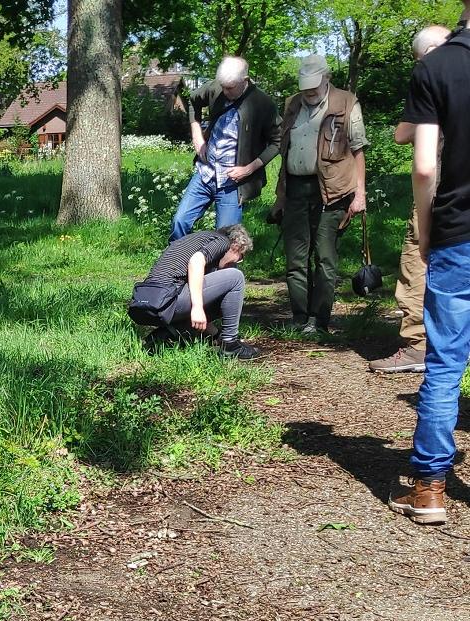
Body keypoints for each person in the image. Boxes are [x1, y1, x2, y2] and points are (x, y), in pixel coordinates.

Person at [388, 11, 470, 526]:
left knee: (444, 363)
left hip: (459, 234)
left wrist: (426, 227)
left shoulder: (436, 67)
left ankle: (429, 491)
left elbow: (423, 165)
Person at [369, 25, 452, 373]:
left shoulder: (435, 74)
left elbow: (402, 134)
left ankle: (418, 344)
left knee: (417, 259)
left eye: (419, 59)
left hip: (440, 187)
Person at [271, 54, 368, 334]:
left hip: (333, 191)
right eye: (305, 88)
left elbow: (359, 150)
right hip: (295, 189)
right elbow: (284, 151)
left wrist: (359, 195)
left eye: (314, 87)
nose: (309, 93)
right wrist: (280, 197)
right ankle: (300, 319)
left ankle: (320, 321)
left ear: (327, 78)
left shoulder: (347, 102)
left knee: (325, 258)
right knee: (295, 259)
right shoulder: (292, 104)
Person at [169, 56, 280, 242]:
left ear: (244, 81)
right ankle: (177, 266)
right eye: (223, 86)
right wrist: (197, 135)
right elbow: (193, 101)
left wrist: (249, 168)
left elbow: (278, 140)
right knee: (180, 222)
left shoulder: (262, 103)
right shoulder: (215, 88)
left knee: (226, 239)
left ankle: (222, 271)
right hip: (205, 173)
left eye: (230, 88)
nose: (225, 91)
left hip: (232, 184)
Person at [128, 225, 260, 360]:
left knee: (217, 293)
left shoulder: (196, 241)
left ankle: (164, 335)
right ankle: (230, 344)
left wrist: (215, 335)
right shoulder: (223, 241)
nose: (237, 262)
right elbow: (196, 261)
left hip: (148, 303)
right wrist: (197, 308)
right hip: (167, 300)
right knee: (235, 277)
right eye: (240, 257)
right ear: (236, 246)